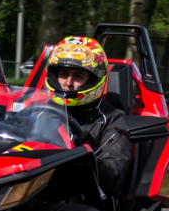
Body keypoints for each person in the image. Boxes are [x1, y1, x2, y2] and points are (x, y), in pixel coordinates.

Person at [43, 36, 132, 197]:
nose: (68, 83)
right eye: (63, 74)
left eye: (78, 76)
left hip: (80, 200)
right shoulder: (40, 110)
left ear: (94, 80)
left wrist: (84, 155)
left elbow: (114, 179)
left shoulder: (113, 118)